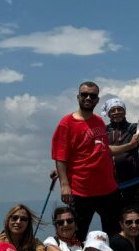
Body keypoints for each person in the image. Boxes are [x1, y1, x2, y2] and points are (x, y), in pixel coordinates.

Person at [51, 81, 121, 238]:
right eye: (84, 94)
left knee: (114, 234)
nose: (88, 98)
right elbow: (60, 156)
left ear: (97, 100)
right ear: (78, 97)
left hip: (108, 189)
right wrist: (64, 185)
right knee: (78, 235)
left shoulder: (99, 121)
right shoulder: (66, 123)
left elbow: (103, 150)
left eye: (92, 96)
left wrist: (131, 145)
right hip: (81, 190)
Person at [103, 98, 139, 214]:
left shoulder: (133, 128)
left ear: (125, 111)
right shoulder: (103, 131)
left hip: (135, 183)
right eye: (113, 110)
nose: (117, 112)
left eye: (120, 109)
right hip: (111, 186)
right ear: (108, 114)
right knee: (114, 222)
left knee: (137, 219)